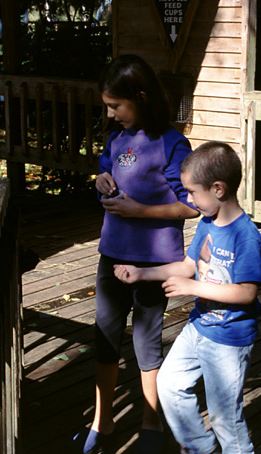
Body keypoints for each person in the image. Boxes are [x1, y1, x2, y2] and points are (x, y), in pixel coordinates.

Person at [72, 55, 199, 454]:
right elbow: (105, 173)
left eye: (116, 106)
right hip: (112, 256)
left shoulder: (173, 144)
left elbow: (191, 206)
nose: (110, 114)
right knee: (106, 338)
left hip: (154, 264)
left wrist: (140, 211)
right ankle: (102, 421)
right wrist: (101, 180)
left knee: (146, 343)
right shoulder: (116, 139)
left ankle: (150, 421)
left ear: (141, 97)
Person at [115, 141, 261, 454]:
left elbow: (247, 292)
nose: (188, 199)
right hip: (198, 328)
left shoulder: (245, 236)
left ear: (218, 189)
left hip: (228, 338)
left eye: (193, 192)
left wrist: (193, 288)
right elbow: (187, 265)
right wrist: (141, 273)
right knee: (168, 384)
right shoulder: (206, 225)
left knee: (224, 415)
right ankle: (200, 447)